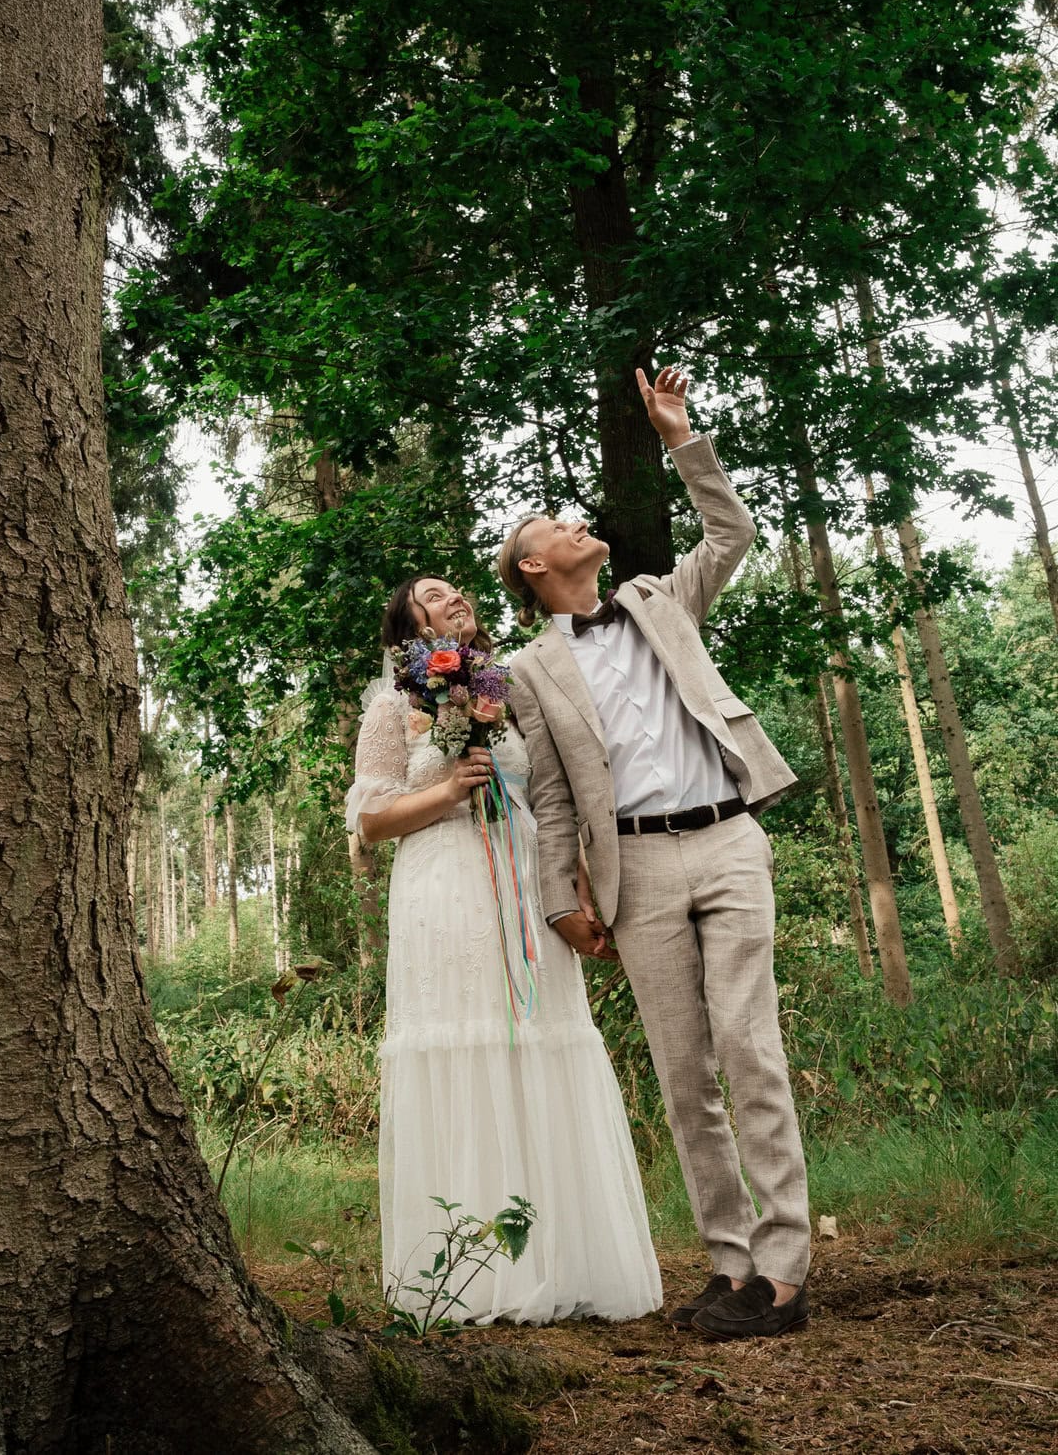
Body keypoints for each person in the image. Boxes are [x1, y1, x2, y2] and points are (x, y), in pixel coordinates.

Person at [499, 366, 811, 1341]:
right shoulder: (526, 672)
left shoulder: (657, 598)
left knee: (749, 1048)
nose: (573, 519)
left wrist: (681, 436)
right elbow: (551, 799)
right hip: (633, 876)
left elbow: (733, 534)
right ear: (533, 568)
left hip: (725, 839)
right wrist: (563, 900)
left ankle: (784, 1273)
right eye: (553, 521)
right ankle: (728, 1267)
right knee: (684, 1075)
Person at [345, 576, 662, 1325]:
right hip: (443, 886)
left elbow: (547, 801)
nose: (453, 595)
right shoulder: (394, 706)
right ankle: (472, 1274)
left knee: (542, 1039)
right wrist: (449, 789)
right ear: (408, 625)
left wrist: (581, 894)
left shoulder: (505, 689)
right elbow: (370, 822)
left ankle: (563, 1260)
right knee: (465, 1045)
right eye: (433, 592)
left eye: (457, 588)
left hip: (524, 883)